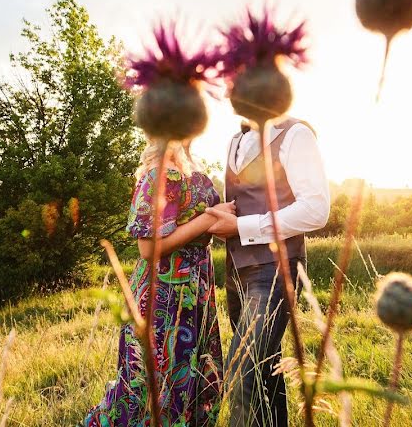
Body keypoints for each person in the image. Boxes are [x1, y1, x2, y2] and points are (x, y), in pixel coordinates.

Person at [80, 140, 233, 427]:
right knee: (152, 383)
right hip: (164, 292)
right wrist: (210, 218)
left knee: (195, 376)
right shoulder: (158, 173)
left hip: (195, 290)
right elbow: (148, 249)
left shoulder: (194, 168)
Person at [206, 117, 330, 427]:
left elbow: (316, 209)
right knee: (264, 370)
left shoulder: (296, 134)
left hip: (276, 268)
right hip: (236, 269)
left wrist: (241, 227)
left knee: (241, 374)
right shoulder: (234, 140)